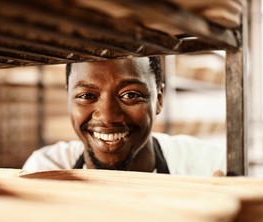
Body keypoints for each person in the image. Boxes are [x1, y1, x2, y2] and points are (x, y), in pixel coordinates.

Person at [23, 56, 226, 177]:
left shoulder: (206, 167)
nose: (108, 117)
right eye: (87, 96)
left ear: (159, 101)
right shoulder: (46, 169)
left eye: (130, 95)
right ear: (68, 99)